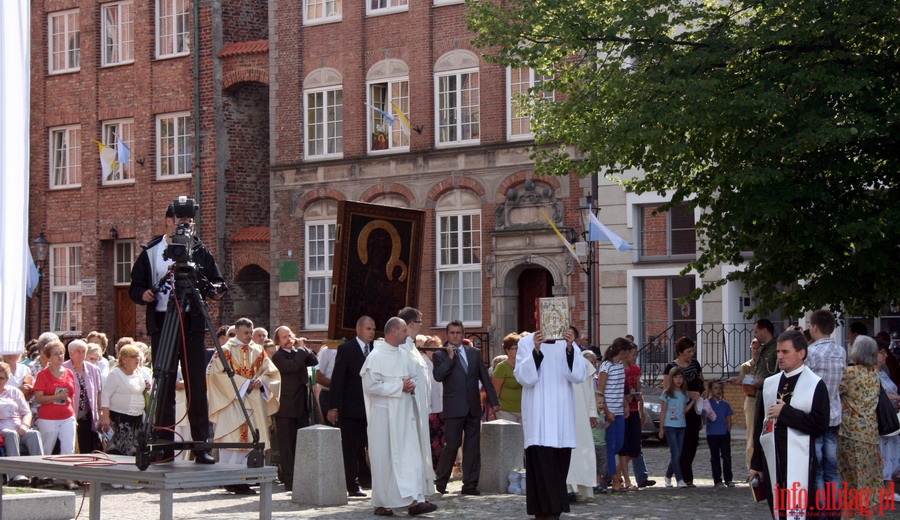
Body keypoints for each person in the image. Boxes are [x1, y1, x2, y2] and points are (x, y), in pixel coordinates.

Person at [128, 199, 225, 464]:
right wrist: (144, 294)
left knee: (196, 385)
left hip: (192, 325)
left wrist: (213, 290)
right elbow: (134, 287)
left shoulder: (199, 250)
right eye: (181, 223)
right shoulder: (151, 252)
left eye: (190, 224)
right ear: (168, 221)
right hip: (163, 324)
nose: (186, 228)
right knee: (164, 384)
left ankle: (201, 446)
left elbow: (217, 281)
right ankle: (163, 445)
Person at [360, 317, 438, 517]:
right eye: (404, 330)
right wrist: (399, 387)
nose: (407, 334)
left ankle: (414, 500)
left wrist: (410, 385)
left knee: (409, 456)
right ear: (393, 332)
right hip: (384, 414)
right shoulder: (376, 356)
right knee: (384, 457)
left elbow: (414, 376)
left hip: (405, 414)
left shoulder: (405, 354)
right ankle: (383, 503)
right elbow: (371, 386)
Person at [749, 329, 829, 519]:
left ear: (801, 353)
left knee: (799, 512)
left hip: (801, 458)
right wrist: (755, 464)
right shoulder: (769, 383)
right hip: (772, 459)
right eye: (778, 352)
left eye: (785, 352)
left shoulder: (815, 384)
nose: (780, 357)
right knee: (777, 510)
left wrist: (786, 413)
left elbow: (820, 424)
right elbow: (760, 425)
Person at [515, 327, 590, 519]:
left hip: (561, 416)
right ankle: (543, 510)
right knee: (541, 466)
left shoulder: (566, 342)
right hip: (538, 416)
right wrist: (536, 351)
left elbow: (577, 375)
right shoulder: (527, 342)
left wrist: (570, 348)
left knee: (559, 465)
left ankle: (554, 509)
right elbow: (525, 378)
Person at [207, 318, 281, 494]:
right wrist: (244, 384)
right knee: (232, 439)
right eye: (246, 333)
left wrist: (262, 381)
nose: (249, 336)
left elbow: (271, 373)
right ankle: (230, 478)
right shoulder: (224, 351)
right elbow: (216, 376)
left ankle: (247, 478)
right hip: (233, 401)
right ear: (237, 332)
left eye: (251, 332)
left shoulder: (258, 350)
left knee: (252, 439)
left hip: (254, 401)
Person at [432, 320, 500, 495]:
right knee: (452, 444)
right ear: (447, 335)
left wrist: (494, 402)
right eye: (452, 333)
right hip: (453, 407)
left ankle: (470, 484)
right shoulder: (440, 354)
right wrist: (450, 358)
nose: (455, 336)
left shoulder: (474, 353)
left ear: (463, 334)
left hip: (473, 406)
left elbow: (485, 378)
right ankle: (441, 480)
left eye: (458, 333)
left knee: (472, 447)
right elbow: (438, 376)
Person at [328, 315, 376, 497]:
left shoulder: (377, 349)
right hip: (351, 407)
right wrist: (333, 407)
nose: (371, 332)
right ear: (358, 329)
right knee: (351, 447)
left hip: (372, 407)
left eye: (373, 329)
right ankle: (352, 484)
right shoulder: (346, 349)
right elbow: (338, 380)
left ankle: (367, 479)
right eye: (368, 329)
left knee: (369, 445)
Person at [806, 309, 846, 520]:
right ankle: (834, 513)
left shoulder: (811, 353)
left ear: (813, 327)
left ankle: (822, 513)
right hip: (834, 415)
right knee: (833, 470)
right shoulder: (840, 351)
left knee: (818, 470)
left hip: (815, 417)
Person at [270, 325, 318, 492]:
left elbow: (314, 361)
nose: (289, 339)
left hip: (301, 405)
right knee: (287, 445)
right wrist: (300, 351)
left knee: (301, 444)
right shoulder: (277, 356)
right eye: (284, 337)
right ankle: (289, 480)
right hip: (286, 407)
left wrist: (302, 347)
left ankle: (302, 477)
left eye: (290, 335)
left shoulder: (299, 352)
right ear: (278, 341)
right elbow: (291, 367)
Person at [837, 335, 882, 516]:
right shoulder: (875, 374)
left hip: (850, 433)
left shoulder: (849, 374)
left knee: (850, 485)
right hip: (871, 434)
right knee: (866, 486)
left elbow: (832, 391)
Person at [397, 307, 437, 489]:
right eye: (420, 322)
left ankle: (420, 489)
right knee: (411, 450)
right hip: (410, 409)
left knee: (421, 450)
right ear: (412, 324)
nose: (422, 326)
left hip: (420, 408)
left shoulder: (411, 346)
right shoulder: (401, 348)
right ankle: (413, 491)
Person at [32, 341, 78, 489]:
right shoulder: (43, 375)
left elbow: (71, 397)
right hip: (48, 417)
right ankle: (43, 476)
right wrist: (56, 397)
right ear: (48, 357)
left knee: (68, 448)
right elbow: (38, 398)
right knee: (47, 447)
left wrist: (74, 417)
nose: (59, 356)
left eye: (61, 353)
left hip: (67, 415)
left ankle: (68, 477)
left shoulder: (69, 372)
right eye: (56, 354)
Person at [663, 336, 705, 487]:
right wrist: (688, 394)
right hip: (678, 409)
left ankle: (684, 475)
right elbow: (667, 389)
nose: (691, 354)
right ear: (680, 352)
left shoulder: (695, 364)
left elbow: (701, 381)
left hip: (693, 408)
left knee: (692, 443)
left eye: (693, 351)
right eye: (688, 351)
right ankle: (684, 477)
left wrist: (700, 392)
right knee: (681, 446)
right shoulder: (671, 367)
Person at [99, 345, 149, 456]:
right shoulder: (115, 374)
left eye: (138, 356)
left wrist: (146, 386)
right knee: (119, 449)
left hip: (137, 418)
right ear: (124, 359)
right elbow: (105, 395)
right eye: (133, 356)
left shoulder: (138, 372)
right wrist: (105, 418)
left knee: (134, 450)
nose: (137, 359)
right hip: (119, 418)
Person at [0, 361, 44, 486]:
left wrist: (25, 425)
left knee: (34, 434)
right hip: (2, 430)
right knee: (10, 434)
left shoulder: (14, 392)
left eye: (1, 378)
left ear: (7, 378)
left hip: (17, 426)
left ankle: (40, 473)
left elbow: (26, 412)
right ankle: (16, 474)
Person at [566, 346, 598, 500]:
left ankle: (582, 489)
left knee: (581, 450)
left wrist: (592, 412)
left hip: (580, 412)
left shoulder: (583, 363)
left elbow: (590, 389)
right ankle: (565, 488)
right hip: (563, 413)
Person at [597, 338, 629, 491]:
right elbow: (600, 391)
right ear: (623, 352)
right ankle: (615, 480)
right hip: (609, 411)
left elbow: (620, 387)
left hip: (619, 411)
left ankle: (608, 474)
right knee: (610, 447)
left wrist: (625, 404)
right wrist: (607, 411)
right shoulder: (606, 366)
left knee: (620, 444)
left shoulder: (620, 365)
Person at [62, 339, 103, 454]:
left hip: (88, 414)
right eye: (77, 351)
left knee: (88, 446)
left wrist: (100, 411)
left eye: (83, 351)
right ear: (70, 353)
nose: (81, 354)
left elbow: (99, 391)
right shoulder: (64, 368)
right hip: (71, 414)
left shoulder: (93, 369)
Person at [728, 337, 761, 471]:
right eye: (753, 349)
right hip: (752, 399)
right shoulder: (746, 366)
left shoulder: (767, 365)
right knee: (752, 434)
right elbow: (747, 387)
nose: (755, 351)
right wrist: (756, 382)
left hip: (764, 399)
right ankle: (750, 467)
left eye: (757, 349)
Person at [659, 366, 695, 488]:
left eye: (680, 377)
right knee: (675, 452)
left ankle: (668, 476)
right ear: (671, 379)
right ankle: (680, 479)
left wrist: (693, 401)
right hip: (670, 426)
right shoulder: (667, 393)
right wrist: (661, 428)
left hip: (681, 426)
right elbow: (663, 411)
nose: (678, 380)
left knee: (678, 453)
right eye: (676, 377)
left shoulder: (684, 394)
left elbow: (684, 410)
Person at [876, 343, 900, 500]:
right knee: (883, 454)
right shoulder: (871, 374)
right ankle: (884, 489)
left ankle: (888, 488)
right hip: (882, 420)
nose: (885, 356)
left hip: (892, 418)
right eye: (882, 353)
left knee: (891, 453)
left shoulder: (883, 373)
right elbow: (879, 394)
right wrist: (897, 398)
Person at [617, 341, 642, 489]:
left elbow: (638, 389)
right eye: (633, 354)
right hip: (623, 411)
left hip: (634, 409)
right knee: (624, 446)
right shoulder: (619, 369)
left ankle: (616, 472)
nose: (634, 357)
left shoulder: (636, 369)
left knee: (635, 448)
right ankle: (625, 479)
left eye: (636, 354)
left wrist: (638, 400)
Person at [705, 380, 734, 487]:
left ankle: (729, 479)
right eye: (715, 388)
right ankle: (717, 479)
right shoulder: (707, 403)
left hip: (724, 434)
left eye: (720, 388)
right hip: (712, 434)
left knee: (726, 457)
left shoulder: (725, 404)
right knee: (715, 457)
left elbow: (729, 418)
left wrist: (728, 430)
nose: (718, 390)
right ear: (711, 390)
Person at [492, 332, 523, 423]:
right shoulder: (501, 367)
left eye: (519, 348)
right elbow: (495, 392)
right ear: (507, 350)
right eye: (514, 348)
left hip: (524, 409)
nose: (518, 351)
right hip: (506, 410)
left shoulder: (524, 365)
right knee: (509, 436)